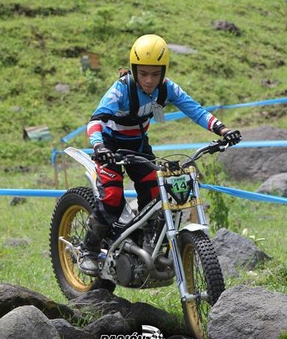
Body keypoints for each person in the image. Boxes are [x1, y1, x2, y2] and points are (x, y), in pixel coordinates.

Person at [80, 34, 242, 275]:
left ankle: (148, 244)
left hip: (138, 147)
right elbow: (96, 120)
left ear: (163, 72)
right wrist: (98, 147)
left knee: (157, 195)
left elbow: (195, 110)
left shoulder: (167, 89)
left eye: (155, 74)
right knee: (112, 198)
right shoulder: (121, 89)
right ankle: (89, 250)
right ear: (134, 69)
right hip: (109, 148)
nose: (149, 80)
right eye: (143, 73)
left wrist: (222, 130)